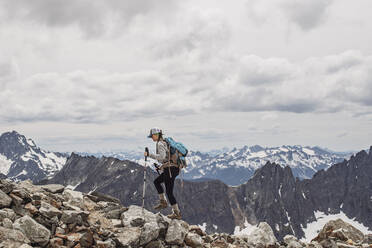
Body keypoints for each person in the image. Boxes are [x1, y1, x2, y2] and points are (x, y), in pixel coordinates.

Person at [144, 128, 182, 220]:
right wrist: (161, 167)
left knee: (163, 187)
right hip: (173, 169)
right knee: (162, 186)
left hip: (170, 170)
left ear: (157, 135)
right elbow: (166, 158)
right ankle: (172, 209)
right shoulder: (165, 142)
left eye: (152, 136)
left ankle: (170, 207)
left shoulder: (160, 144)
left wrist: (149, 155)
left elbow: (162, 157)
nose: (152, 138)